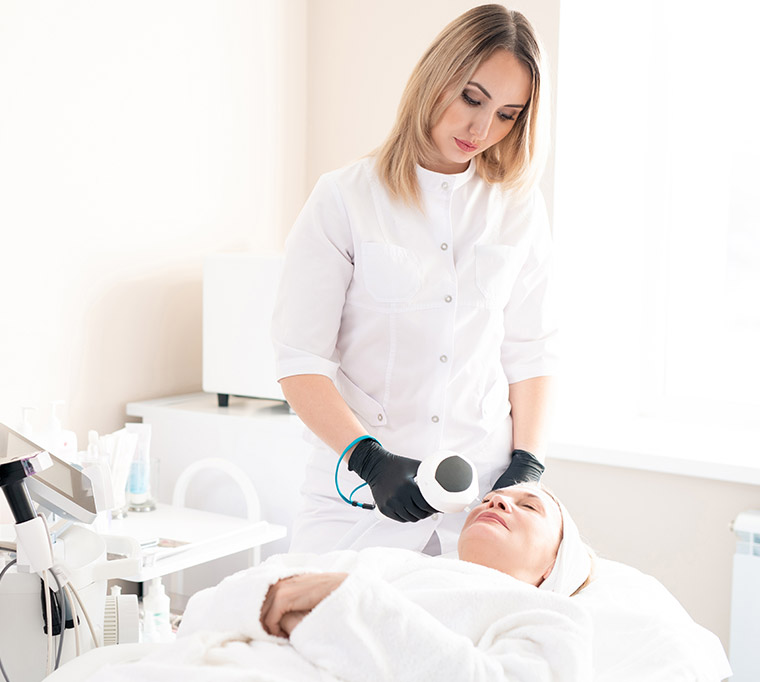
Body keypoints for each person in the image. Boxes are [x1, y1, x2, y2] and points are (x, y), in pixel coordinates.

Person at [272, 4, 557, 555]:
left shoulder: (519, 208)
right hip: (357, 500)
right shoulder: (345, 199)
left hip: (479, 502)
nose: (482, 128)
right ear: (436, 76)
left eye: (507, 114)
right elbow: (299, 362)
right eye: (472, 98)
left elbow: (533, 352)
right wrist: (368, 458)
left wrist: (527, 465)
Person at [77, 485, 594, 681]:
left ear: (554, 566)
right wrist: (272, 603)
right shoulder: (379, 560)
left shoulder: (550, 617)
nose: (498, 501)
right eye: (492, 499)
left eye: (529, 507)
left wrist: (342, 605)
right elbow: (214, 604)